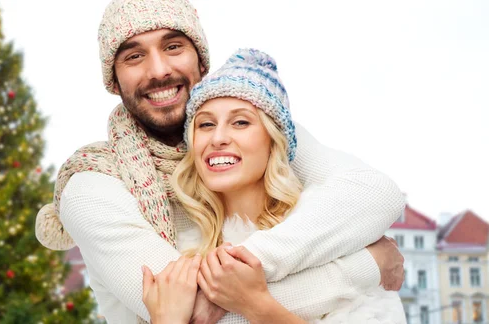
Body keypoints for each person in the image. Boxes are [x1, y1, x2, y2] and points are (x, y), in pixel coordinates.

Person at [34, 0, 406, 323]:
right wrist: (366, 265)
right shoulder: (92, 185)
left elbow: (376, 194)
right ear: (114, 80)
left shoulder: (254, 130)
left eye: (174, 46)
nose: (159, 69)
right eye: (134, 56)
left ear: (201, 59)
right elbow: (194, 312)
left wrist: (244, 269)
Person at [141, 48, 406, 323]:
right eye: (206, 124)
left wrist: (257, 305)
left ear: (274, 142)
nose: (218, 137)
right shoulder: (179, 252)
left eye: (240, 122)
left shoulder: (329, 236)